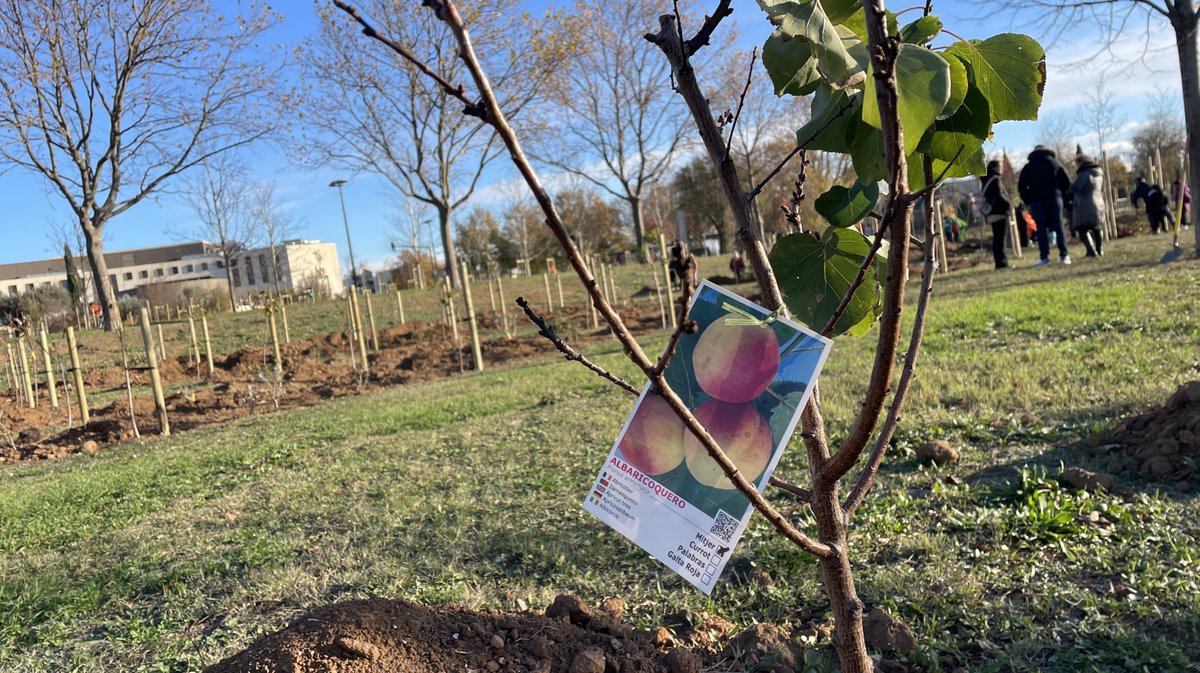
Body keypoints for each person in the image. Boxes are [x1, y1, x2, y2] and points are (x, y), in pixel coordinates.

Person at [1017, 145, 1072, 266]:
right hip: (1055, 198)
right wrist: (1062, 194)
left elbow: (1021, 186)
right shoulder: (1054, 163)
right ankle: (1064, 255)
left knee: (1041, 229)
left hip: (1036, 201)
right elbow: (1067, 181)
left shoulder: (1028, 167)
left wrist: (1028, 201)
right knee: (1059, 226)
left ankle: (1044, 257)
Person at [1067, 154, 1106, 257]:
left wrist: (1070, 186)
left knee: (1081, 229)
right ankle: (1099, 250)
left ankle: (1091, 251)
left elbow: (1076, 187)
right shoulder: (1099, 173)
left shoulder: (1084, 174)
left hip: (1085, 204)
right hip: (1098, 201)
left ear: (1081, 162)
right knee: (1097, 227)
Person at [980, 160, 1012, 269]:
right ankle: (1002, 263)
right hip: (1000, 212)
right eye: (1001, 166)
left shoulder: (985, 180)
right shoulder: (995, 179)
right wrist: (1008, 204)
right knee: (1001, 239)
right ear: (995, 167)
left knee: (997, 238)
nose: (1002, 169)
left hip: (991, 214)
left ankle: (999, 262)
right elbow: (999, 194)